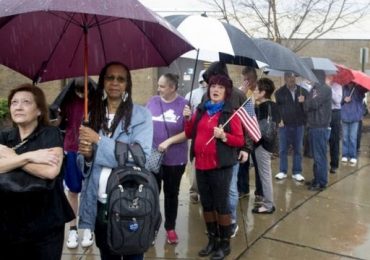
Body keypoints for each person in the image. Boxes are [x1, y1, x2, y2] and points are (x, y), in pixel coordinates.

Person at [78, 61, 153, 260]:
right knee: (107, 254)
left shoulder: (141, 116)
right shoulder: (91, 116)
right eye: (110, 77)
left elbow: (139, 157)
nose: (115, 83)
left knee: (133, 255)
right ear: (102, 81)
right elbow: (83, 165)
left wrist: (98, 140)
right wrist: (86, 157)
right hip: (100, 202)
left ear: (127, 84)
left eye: (121, 79)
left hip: (129, 201)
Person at [0, 84, 74, 259]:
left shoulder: (51, 134)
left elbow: (50, 172)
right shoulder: (3, 136)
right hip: (9, 221)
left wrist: (11, 158)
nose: (18, 106)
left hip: (46, 222)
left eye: (26, 102)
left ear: (39, 110)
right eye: (14, 102)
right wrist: (28, 157)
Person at [184, 74, 245, 260]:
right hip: (201, 165)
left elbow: (240, 140)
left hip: (220, 167)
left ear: (226, 92)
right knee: (207, 204)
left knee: (221, 206)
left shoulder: (230, 113)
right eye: (213, 86)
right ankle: (212, 239)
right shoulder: (201, 110)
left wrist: (223, 136)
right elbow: (189, 134)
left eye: (220, 87)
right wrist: (187, 118)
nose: (215, 89)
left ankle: (224, 243)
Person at [201, 62, 251, 239]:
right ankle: (217, 223)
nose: (211, 86)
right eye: (210, 83)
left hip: (230, 151)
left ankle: (231, 223)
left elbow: (247, 122)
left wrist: (246, 147)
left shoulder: (238, 95)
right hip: (209, 154)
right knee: (213, 190)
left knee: (229, 189)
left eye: (213, 81)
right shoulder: (206, 97)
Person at [146, 73, 188, 244]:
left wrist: (169, 140)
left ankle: (170, 227)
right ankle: (152, 227)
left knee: (172, 194)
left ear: (172, 88)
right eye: (159, 85)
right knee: (152, 194)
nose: (158, 88)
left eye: (162, 86)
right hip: (153, 158)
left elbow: (188, 133)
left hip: (175, 160)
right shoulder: (152, 102)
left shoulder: (184, 105)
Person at [52, 78, 93, 248]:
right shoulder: (68, 101)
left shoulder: (96, 102)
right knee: (73, 191)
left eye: (84, 90)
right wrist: (56, 113)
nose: (81, 94)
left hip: (91, 151)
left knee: (90, 191)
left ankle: (88, 228)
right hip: (72, 148)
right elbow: (57, 123)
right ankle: (73, 229)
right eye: (78, 91)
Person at [252, 78, 280, 214]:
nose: (254, 91)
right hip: (269, 145)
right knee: (265, 174)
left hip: (262, 145)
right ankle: (267, 201)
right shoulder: (274, 106)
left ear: (263, 92)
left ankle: (268, 205)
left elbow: (258, 129)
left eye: (257, 89)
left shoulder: (263, 107)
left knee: (265, 175)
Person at [274, 72, 308, 182]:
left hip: (299, 125)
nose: (291, 79)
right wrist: (279, 120)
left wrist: (304, 102)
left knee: (298, 149)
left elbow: (308, 109)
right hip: (284, 125)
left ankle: (297, 172)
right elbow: (276, 109)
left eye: (293, 77)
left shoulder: (303, 91)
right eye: (289, 77)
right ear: (285, 78)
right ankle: (282, 171)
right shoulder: (279, 92)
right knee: (283, 149)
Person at [237, 66, 264, 203]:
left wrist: (257, 99)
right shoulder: (241, 91)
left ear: (255, 78)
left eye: (249, 79)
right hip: (244, 133)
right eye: (245, 79)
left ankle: (260, 191)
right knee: (243, 163)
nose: (247, 81)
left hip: (258, 132)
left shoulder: (261, 90)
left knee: (259, 164)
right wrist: (241, 92)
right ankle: (243, 189)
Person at [304, 70, 332, 191]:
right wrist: (306, 101)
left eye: (312, 76)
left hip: (320, 126)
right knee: (316, 155)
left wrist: (304, 102)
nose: (310, 78)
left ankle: (322, 182)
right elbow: (308, 105)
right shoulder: (314, 89)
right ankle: (317, 178)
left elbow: (313, 104)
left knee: (320, 155)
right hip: (313, 125)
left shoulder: (325, 89)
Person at [185, 69, 207, 204]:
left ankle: (205, 190)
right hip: (195, 134)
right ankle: (194, 191)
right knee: (194, 164)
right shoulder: (191, 94)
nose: (204, 83)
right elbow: (186, 114)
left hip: (211, 134)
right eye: (203, 80)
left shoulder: (215, 94)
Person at [341, 82, 366, 166]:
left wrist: (359, 88)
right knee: (345, 137)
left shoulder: (359, 89)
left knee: (352, 137)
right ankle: (345, 154)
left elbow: (362, 96)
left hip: (355, 116)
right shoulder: (343, 88)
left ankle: (353, 156)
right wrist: (344, 99)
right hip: (345, 115)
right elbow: (339, 101)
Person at [326, 75, 343, 173]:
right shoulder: (322, 86)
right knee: (324, 140)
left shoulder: (337, 86)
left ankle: (334, 165)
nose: (328, 77)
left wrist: (329, 88)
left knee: (334, 140)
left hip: (335, 113)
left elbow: (337, 100)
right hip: (325, 113)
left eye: (330, 76)